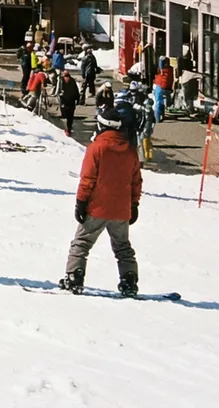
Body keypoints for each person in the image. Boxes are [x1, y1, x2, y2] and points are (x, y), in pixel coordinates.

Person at [60, 101, 143, 296]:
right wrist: (134, 204)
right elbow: (136, 181)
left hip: (97, 207)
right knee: (122, 246)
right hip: (121, 209)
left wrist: (81, 202)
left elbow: (87, 179)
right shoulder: (130, 150)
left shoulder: (97, 148)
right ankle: (129, 280)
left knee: (81, 243)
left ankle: (74, 277)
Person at [58, 70, 80, 136]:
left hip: (70, 101)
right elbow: (59, 91)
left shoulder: (71, 81)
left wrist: (78, 99)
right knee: (67, 115)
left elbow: (76, 91)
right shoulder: (62, 81)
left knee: (69, 116)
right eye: (65, 76)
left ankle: (68, 129)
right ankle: (68, 128)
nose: (66, 78)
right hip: (66, 101)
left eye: (67, 76)